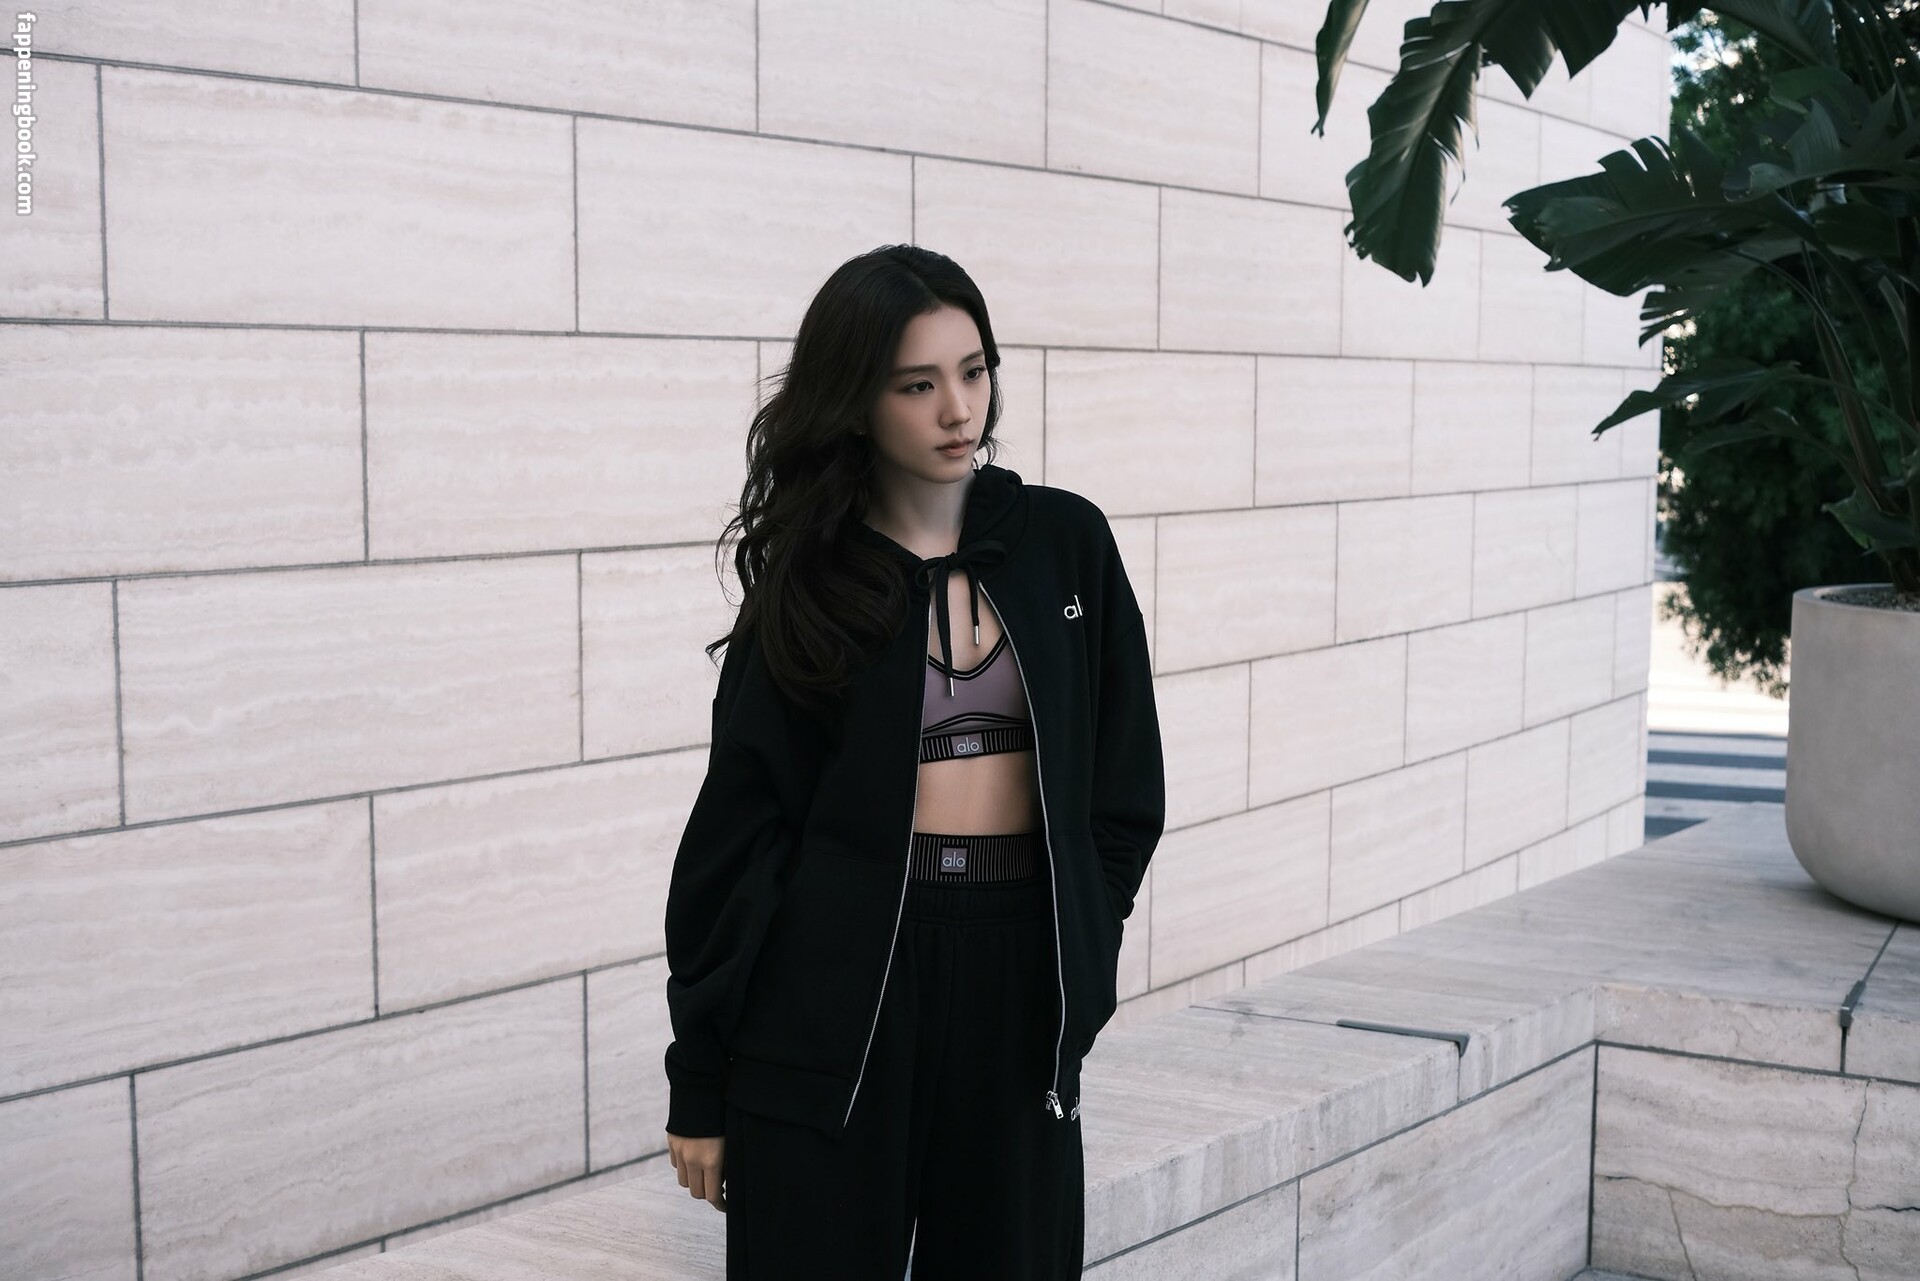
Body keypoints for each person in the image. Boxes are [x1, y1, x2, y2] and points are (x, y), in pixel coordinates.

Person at [661, 244, 1165, 1280]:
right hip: (836, 996)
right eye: (916, 384)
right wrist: (698, 1080)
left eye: (972, 371)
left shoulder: (1065, 544)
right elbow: (734, 842)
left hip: (1017, 980)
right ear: (855, 402)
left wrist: (1087, 934)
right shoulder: (811, 583)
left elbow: (1124, 788)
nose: (957, 410)